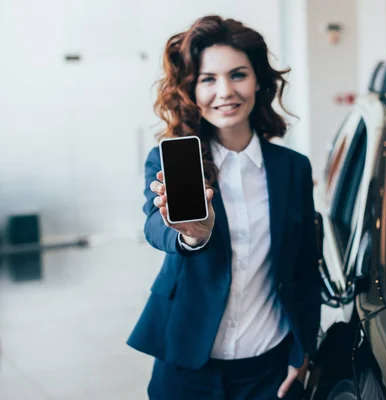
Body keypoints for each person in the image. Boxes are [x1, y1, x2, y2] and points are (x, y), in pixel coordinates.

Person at [126, 15, 322, 400]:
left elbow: (304, 266)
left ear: (259, 81)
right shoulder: (176, 160)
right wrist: (191, 236)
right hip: (187, 364)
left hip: (269, 364)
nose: (225, 91)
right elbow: (155, 225)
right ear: (191, 90)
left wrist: (303, 351)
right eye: (208, 79)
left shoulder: (292, 168)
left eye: (238, 74)